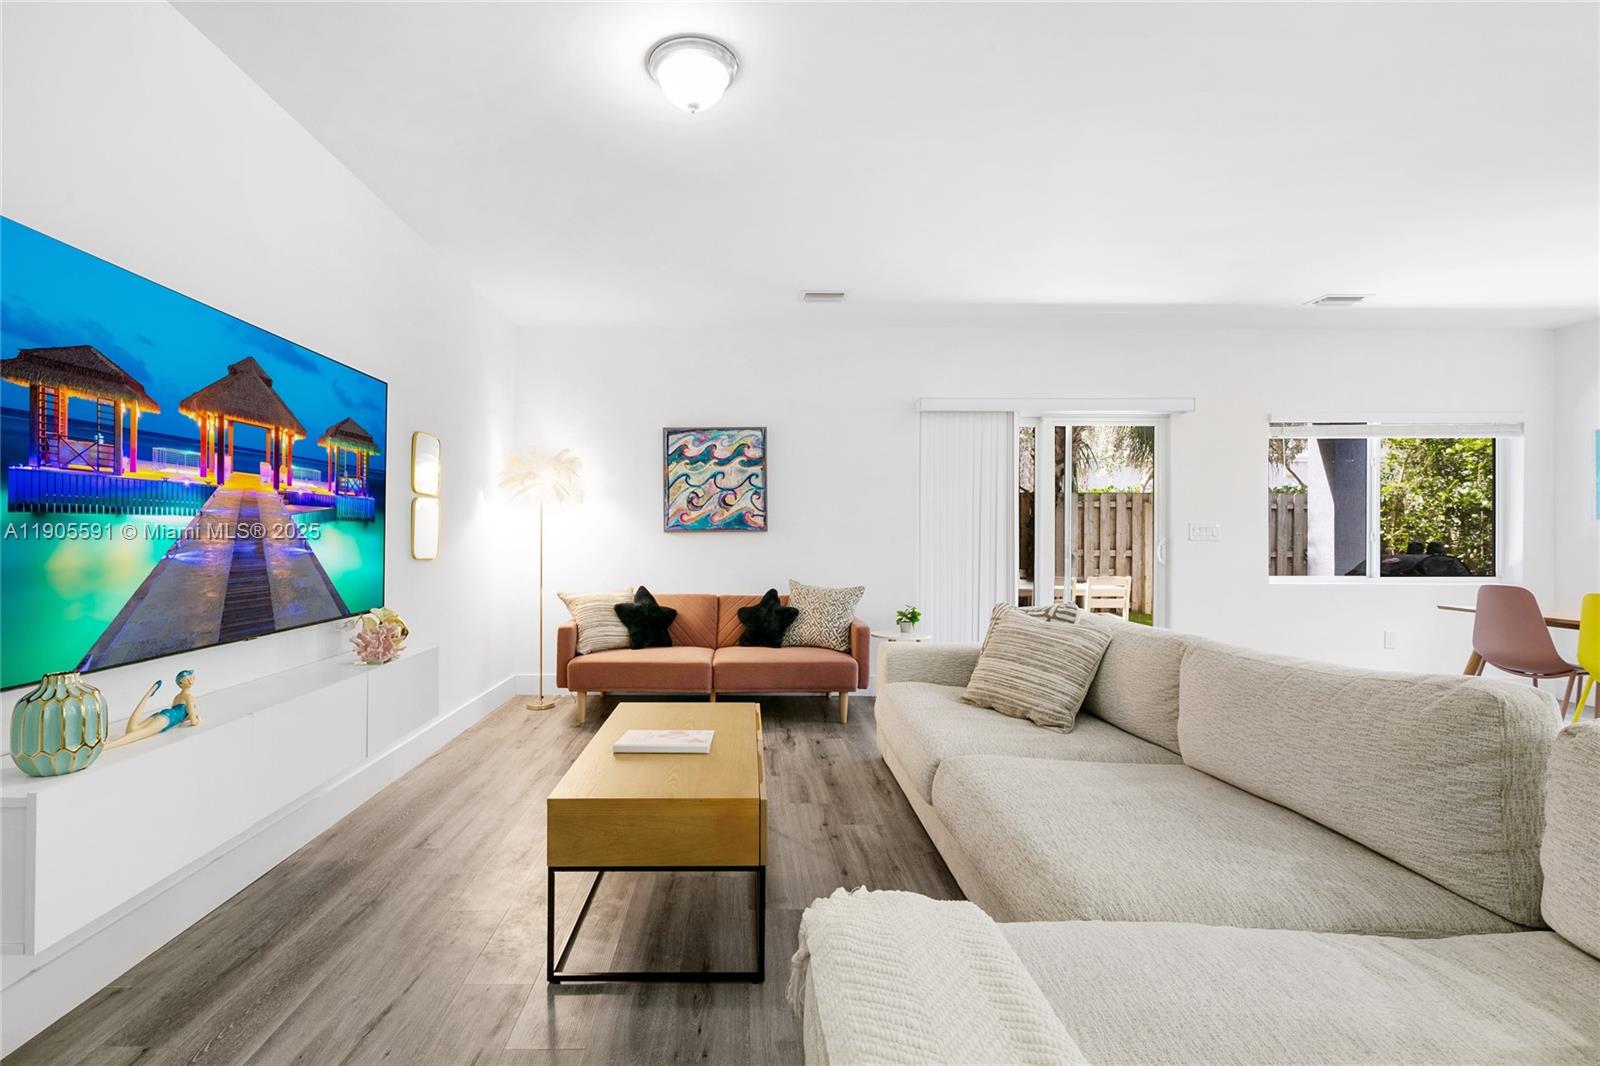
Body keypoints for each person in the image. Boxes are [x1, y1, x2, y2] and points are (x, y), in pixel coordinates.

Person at [106, 670, 200, 749]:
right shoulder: (189, 697)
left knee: (131, 730)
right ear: (180, 683)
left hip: (162, 714)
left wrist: (186, 718)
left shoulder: (177, 697)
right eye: (188, 680)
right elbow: (194, 721)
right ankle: (106, 747)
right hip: (168, 718)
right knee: (141, 733)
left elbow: (181, 716)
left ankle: (149, 693)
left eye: (192, 678)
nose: (191, 682)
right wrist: (197, 719)